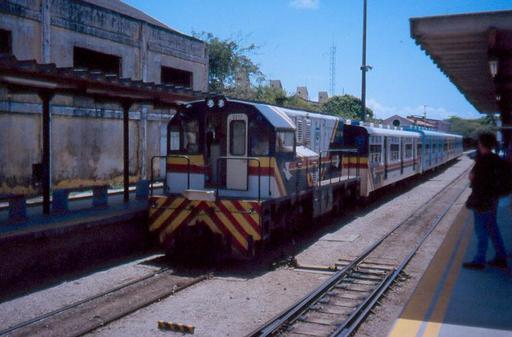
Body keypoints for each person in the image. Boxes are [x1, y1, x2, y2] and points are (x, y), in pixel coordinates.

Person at [463, 132, 508, 269]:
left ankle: (479, 260)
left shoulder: (482, 160)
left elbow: (472, 178)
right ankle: (501, 256)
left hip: (482, 200)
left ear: (481, 144)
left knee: (481, 230)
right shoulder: (497, 159)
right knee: (492, 228)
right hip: (493, 199)